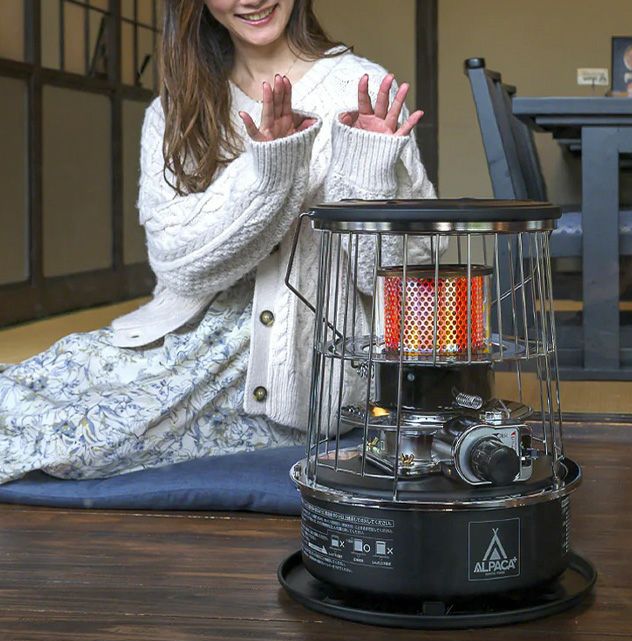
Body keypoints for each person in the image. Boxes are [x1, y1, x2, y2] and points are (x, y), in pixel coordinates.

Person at [0, 0, 435, 484]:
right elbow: (178, 265)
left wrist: (368, 176)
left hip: (279, 376)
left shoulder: (363, 89)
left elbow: (404, 285)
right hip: (179, 338)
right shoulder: (177, 107)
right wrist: (270, 175)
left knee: (80, 436)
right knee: (35, 381)